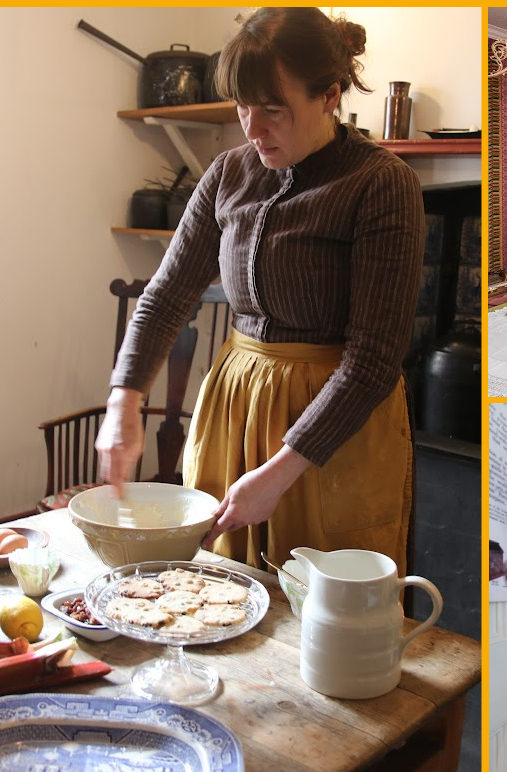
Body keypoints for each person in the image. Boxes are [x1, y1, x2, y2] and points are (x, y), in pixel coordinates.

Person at [95, 8, 424, 573]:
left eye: (274, 109)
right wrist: (123, 401)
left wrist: (281, 471)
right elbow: (166, 296)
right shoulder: (227, 174)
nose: (252, 128)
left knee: (320, 602)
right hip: (233, 410)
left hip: (335, 428)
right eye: (243, 107)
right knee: (215, 588)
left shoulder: (380, 183)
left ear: (329, 94)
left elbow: (373, 361)